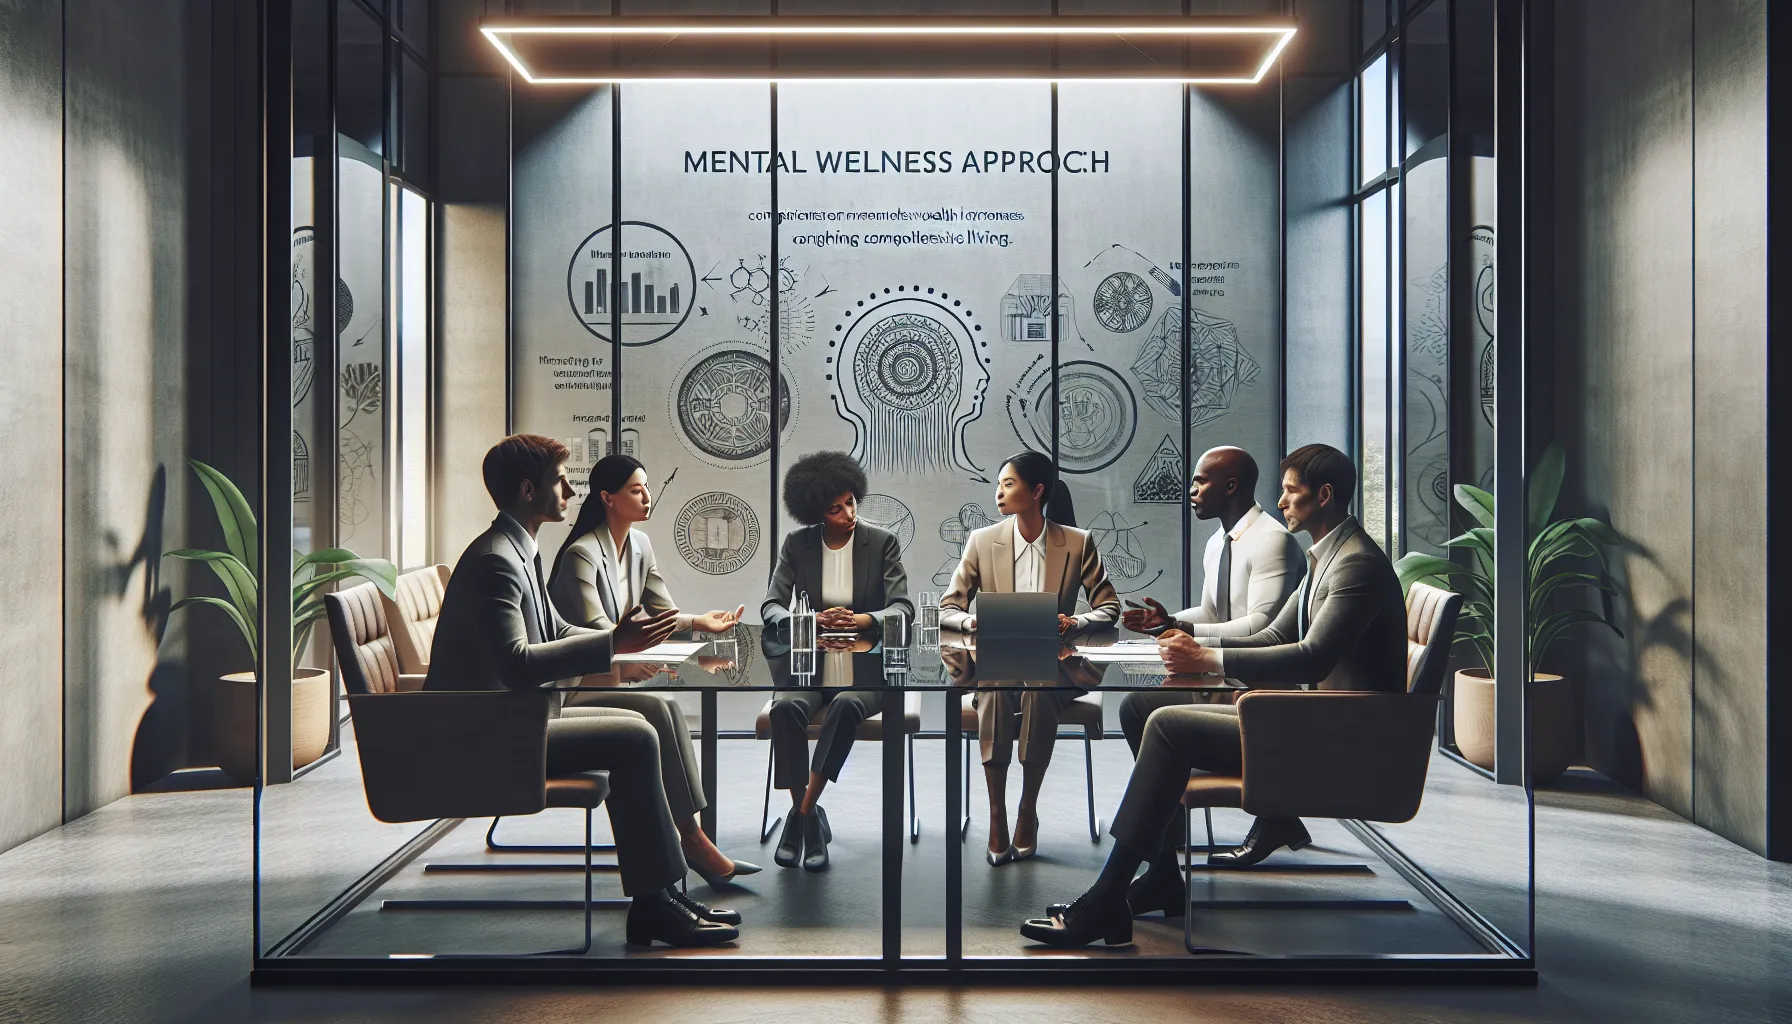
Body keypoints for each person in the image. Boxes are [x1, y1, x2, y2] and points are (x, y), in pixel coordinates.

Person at [1021, 443, 1408, 948]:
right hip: (1316, 721)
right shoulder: (1326, 558)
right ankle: (1161, 875)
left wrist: (1209, 660)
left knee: (1168, 724)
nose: (1282, 501)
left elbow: (1312, 658)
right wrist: (1185, 637)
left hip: (1342, 738)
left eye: (1291, 491)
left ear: (1325, 495)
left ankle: (1106, 900)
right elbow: (1272, 637)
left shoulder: (1355, 566)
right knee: (1140, 706)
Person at [424, 434, 739, 947]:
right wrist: (613, 642)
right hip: (487, 735)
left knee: (642, 722)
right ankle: (655, 904)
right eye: (560, 479)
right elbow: (519, 663)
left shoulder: (517, 550)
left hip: (516, 719)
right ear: (529, 490)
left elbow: (556, 629)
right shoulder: (496, 562)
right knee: (635, 739)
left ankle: (662, 894)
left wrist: (615, 641)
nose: (573, 489)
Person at [546, 454, 759, 889]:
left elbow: (661, 615)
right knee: (659, 709)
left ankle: (693, 836)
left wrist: (700, 622)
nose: (647, 496)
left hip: (612, 672)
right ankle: (693, 840)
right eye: (635, 489)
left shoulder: (640, 545)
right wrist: (635, 660)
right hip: (577, 685)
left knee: (664, 710)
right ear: (607, 498)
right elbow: (602, 637)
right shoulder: (580, 556)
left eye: (646, 486)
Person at [939, 450, 1122, 866]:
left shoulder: (1077, 542)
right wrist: (973, 624)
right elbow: (948, 608)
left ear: (1036, 491)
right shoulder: (982, 541)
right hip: (996, 660)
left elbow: (1109, 608)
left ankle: (1027, 808)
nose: (999, 492)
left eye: (1008, 484)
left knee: (1039, 688)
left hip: (1056, 664)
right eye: (999, 484)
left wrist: (1073, 621)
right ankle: (997, 812)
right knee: (997, 686)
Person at [759, 451, 912, 872]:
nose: (847, 512)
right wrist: (804, 620)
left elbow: (902, 609)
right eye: (835, 507)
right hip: (810, 665)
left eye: (850, 502)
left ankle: (802, 815)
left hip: (868, 667)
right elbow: (771, 606)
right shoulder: (797, 545)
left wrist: (860, 619)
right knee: (785, 707)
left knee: (846, 705)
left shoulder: (882, 542)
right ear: (816, 512)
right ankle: (807, 814)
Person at [1117, 446, 1305, 762]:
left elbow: (1263, 627)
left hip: (1258, 690)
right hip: (1222, 677)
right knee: (1139, 706)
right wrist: (1168, 622)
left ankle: (1169, 802)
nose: (1191, 491)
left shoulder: (1273, 541)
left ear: (1230, 486)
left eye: (1200, 482)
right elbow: (1211, 613)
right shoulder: (1217, 541)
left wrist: (1187, 633)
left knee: (1138, 707)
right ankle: (1174, 801)